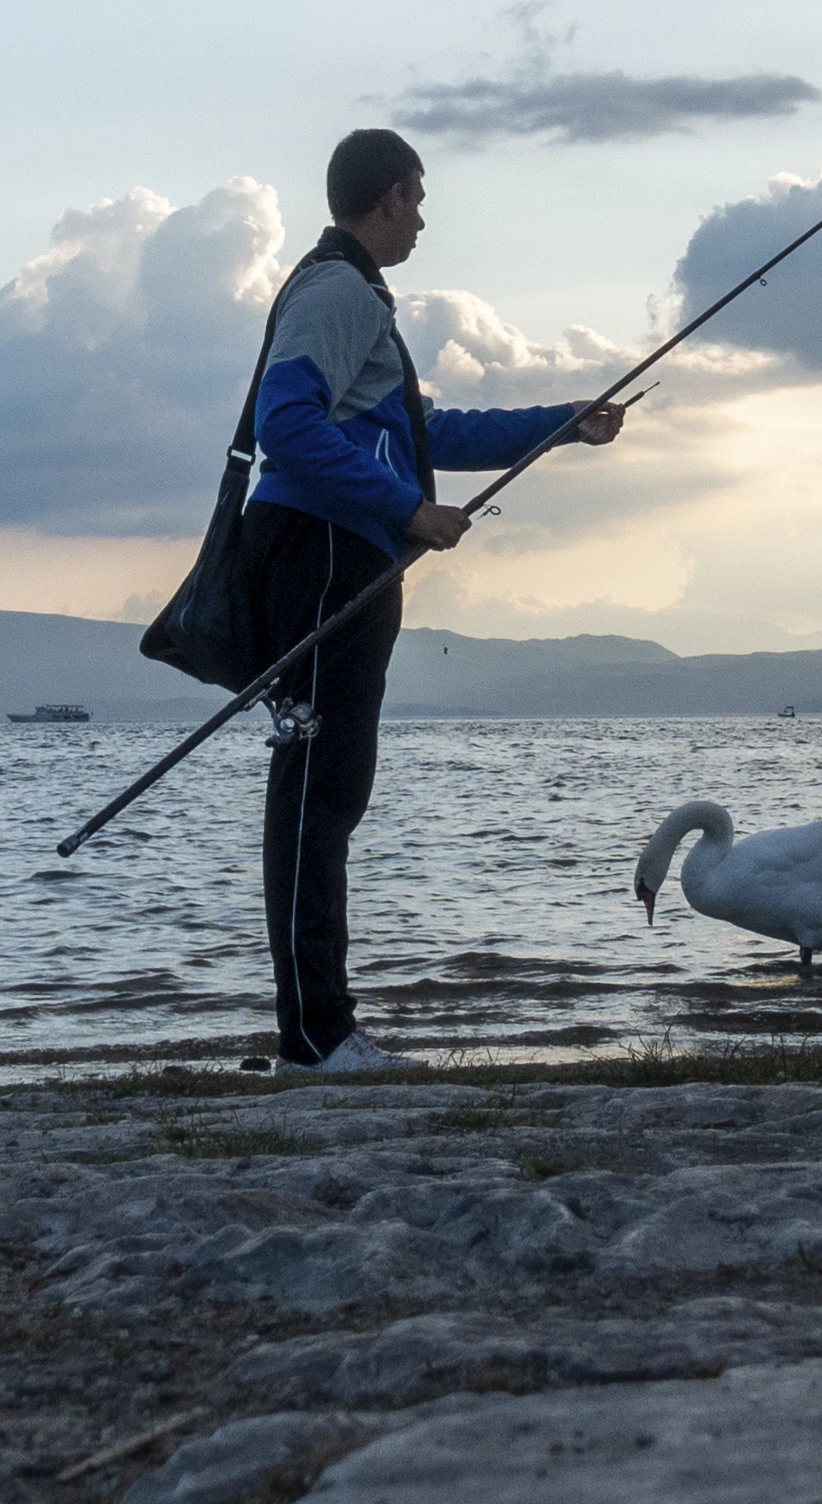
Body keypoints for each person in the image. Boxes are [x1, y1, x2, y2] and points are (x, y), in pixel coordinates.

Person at [244, 126, 623, 1075]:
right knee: (317, 794)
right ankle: (318, 1038)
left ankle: (316, 1032)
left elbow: (425, 430)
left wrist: (558, 424)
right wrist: (406, 508)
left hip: (340, 553)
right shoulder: (335, 292)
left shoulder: (352, 296)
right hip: (323, 555)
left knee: (326, 791)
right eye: (416, 196)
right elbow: (281, 426)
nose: (423, 215)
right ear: (386, 198)